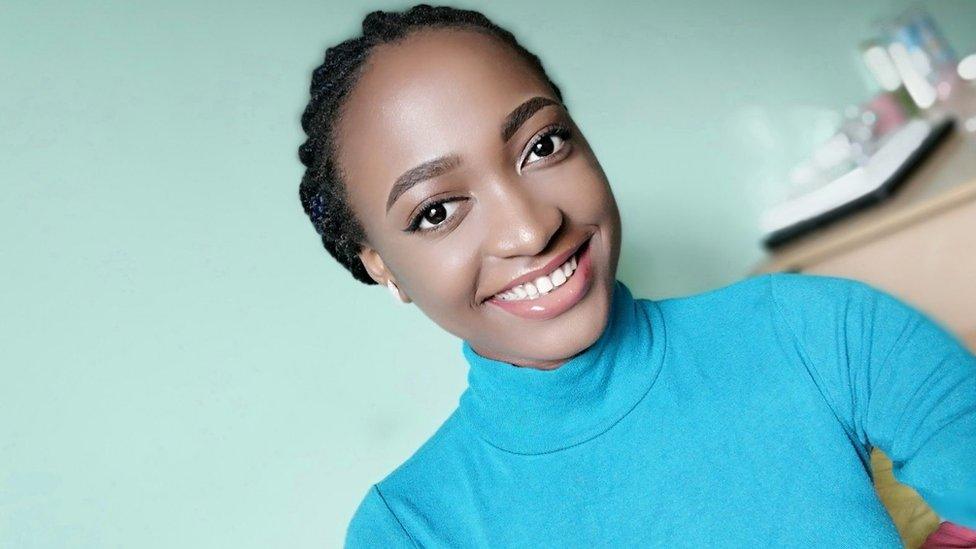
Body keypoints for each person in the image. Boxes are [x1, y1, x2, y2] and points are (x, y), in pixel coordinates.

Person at [296, 4, 976, 547]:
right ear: (382, 264)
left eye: (542, 144)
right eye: (438, 209)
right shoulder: (412, 528)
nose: (530, 229)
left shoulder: (820, 328)